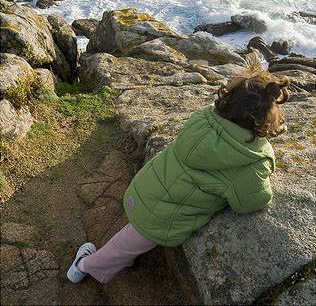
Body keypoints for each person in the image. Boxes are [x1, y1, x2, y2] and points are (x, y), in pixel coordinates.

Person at [67, 68, 290, 284]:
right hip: (162, 218)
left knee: (130, 239)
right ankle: (82, 267)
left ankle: (124, 257)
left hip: (147, 186)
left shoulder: (203, 118)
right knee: (123, 245)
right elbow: (252, 201)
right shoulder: (250, 160)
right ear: (264, 122)